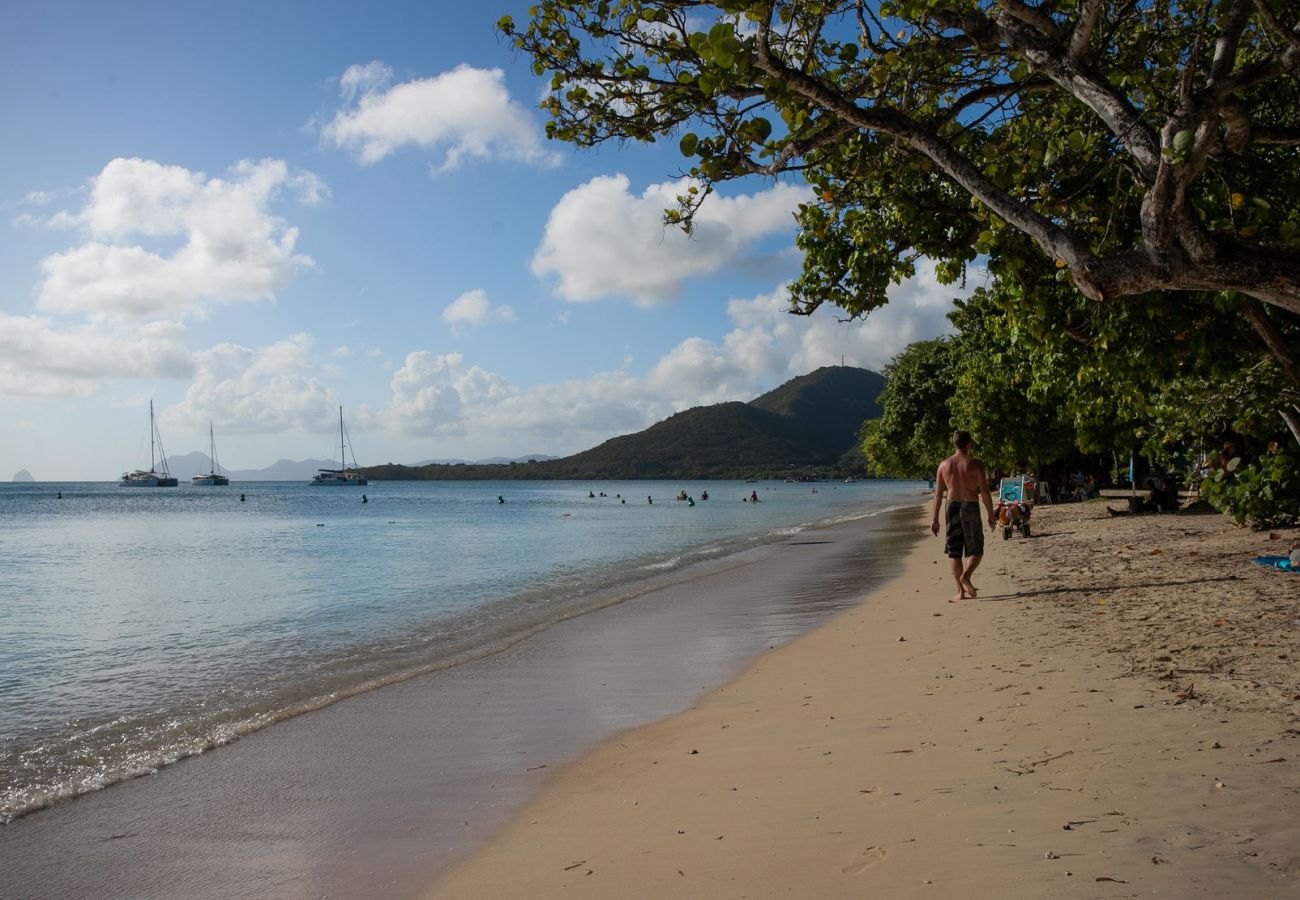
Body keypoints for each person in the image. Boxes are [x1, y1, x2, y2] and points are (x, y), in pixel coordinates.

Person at [931, 430, 996, 600]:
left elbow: (938, 495)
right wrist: (991, 514)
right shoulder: (976, 464)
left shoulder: (944, 465)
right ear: (969, 444)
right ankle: (966, 575)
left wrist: (934, 519)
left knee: (954, 551)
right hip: (970, 505)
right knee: (976, 548)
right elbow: (984, 492)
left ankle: (960, 591)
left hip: (951, 506)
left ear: (954, 444)